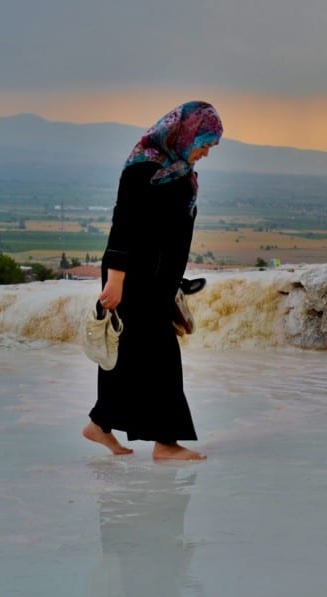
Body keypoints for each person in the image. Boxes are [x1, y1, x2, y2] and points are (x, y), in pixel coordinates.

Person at [82, 100, 222, 461]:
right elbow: (124, 224)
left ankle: (100, 424)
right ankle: (166, 442)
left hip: (157, 280)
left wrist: (176, 282)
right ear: (185, 132)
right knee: (160, 356)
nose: (206, 152)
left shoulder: (180, 170)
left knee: (128, 353)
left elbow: (169, 235)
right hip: (132, 277)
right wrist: (114, 280)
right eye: (205, 142)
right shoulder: (145, 167)